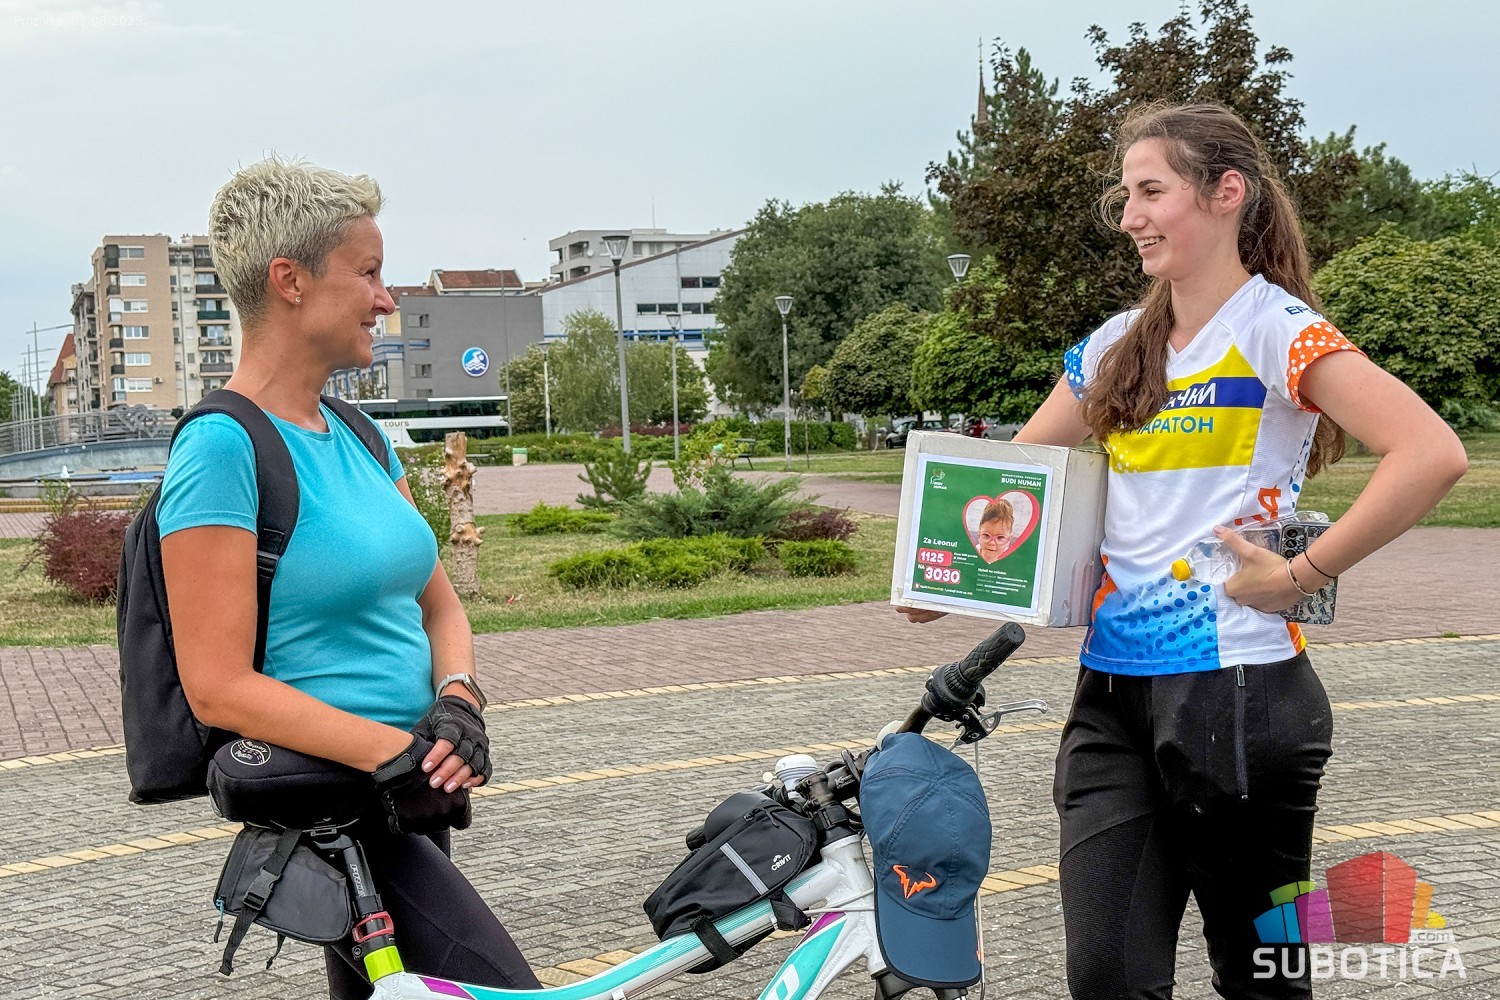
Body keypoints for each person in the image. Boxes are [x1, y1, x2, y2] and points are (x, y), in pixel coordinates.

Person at [897, 102, 1466, 999]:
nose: (1130, 217)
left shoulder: (1275, 328)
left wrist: (1302, 574)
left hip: (1239, 694)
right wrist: (947, 574)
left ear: (1225, 192)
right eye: (1125, 197)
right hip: (1111, 700)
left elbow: (1431, 452)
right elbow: (1016, 478)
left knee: (1260, 977)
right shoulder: (1114, 346)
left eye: (1151, 191)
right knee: (1107, 977)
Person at [158, 157, 540, 997]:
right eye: (367, 273)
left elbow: (439, 605)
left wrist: (459, 699)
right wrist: (394, 752)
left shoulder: (363, 434)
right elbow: (216, 685)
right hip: (340, 808)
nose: (386, 299)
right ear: (289, 280)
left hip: (411, 794)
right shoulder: (221, 448)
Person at [975, 498, 1014, 563]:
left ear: (1009, 539)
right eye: (986, 535)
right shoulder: (973, 552)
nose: (992, 543)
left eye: (1000, 537)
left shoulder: (1010, 559)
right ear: (979, 534)